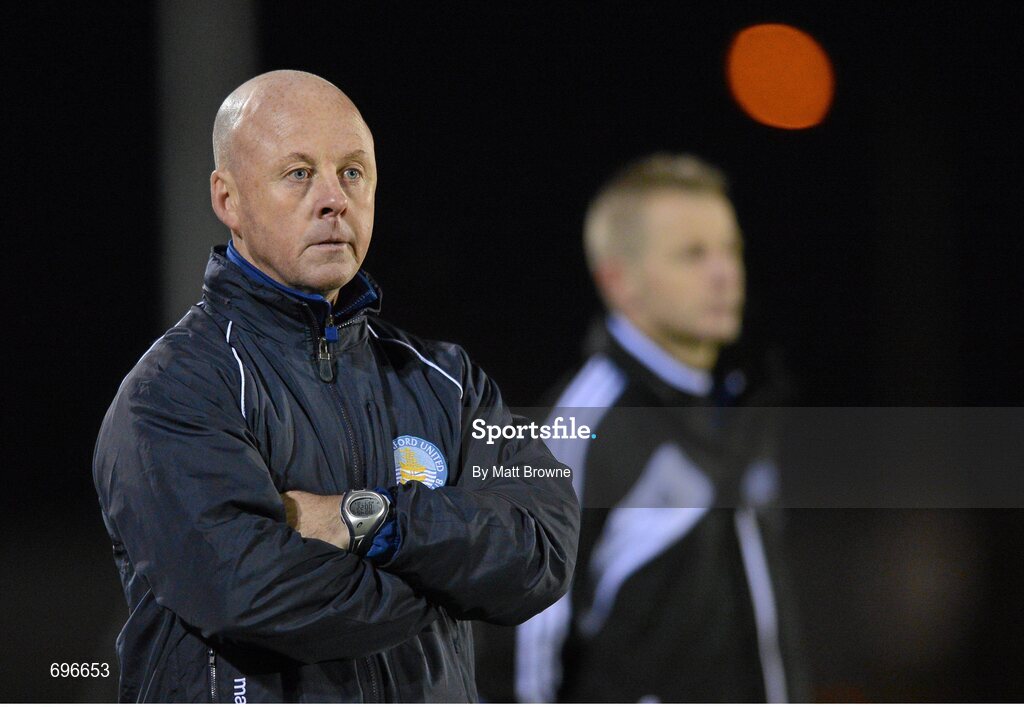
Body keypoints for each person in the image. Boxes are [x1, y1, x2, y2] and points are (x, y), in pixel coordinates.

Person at [92, 69, 580, 703]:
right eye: (299, 174)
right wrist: (452, 581)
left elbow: (540, 551)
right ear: (228, 199)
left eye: (352, 172)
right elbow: (251, 595)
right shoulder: (173, 392)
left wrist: (371, 521)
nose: (334, 199)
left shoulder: (448, 382)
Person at [478, 154, 806, 702]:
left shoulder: (740, 409)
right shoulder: (575, 430)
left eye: (730, 249)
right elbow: (521, 650)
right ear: (619, 281)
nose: (725, 272)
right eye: (692, 254)